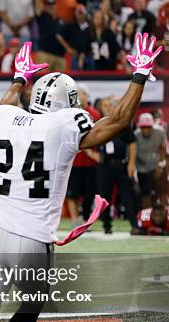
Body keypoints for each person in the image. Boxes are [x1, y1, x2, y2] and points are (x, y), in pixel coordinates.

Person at [0, 34, 162, 322]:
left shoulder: (4, 116)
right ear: (68, 105)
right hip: (35, 237)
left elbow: (7, 104)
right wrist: (139, 74)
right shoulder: (66, 123)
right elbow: (120, 120)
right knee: (32, 302)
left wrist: (19, 78)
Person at [96, 96, 138, 233]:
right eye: (105, 105)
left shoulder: (122, 123)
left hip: (121, 164)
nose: (108, 108)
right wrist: (94, 155)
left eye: (110, 105)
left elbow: (132, 142)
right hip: (104, 165)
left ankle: (134, 225)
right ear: (101, 109)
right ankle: (106, 226)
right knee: (104, 196)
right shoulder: (97, 124)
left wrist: (131, 163)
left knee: (127, 195)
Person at [66, 84, 100, 227]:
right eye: (77, 94)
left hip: (89, 160)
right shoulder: (68, 113)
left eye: (82, 94)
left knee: (89, 193)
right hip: (72, 160)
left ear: (87, 96)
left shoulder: (94, 114)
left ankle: (86, 219)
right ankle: (75, 220)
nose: (79, 97)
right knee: (72, 193)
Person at [134, 112, 166, 208]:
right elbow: (133, 153)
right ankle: (146, 216)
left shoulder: (160, 132)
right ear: (140, 127)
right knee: (145, 194)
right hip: (142, 167)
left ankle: (166, 215)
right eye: (143, 127)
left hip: (157, 166)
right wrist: (135, 170)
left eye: (149, 127)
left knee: (163, 192)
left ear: (152, 126)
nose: (146, 130)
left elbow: (163, 148)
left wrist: (161, 165)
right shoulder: (135, 135)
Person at [34, 0, 66, 71]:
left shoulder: (60, 20)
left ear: (56, 6)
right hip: (45, 54)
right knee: (42, 79)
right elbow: (37, 4)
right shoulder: (42, 16)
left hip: (60, 56)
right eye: (49, 5)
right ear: (46, 7)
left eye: (53, 5)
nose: (51, 7)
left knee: (60, 80)